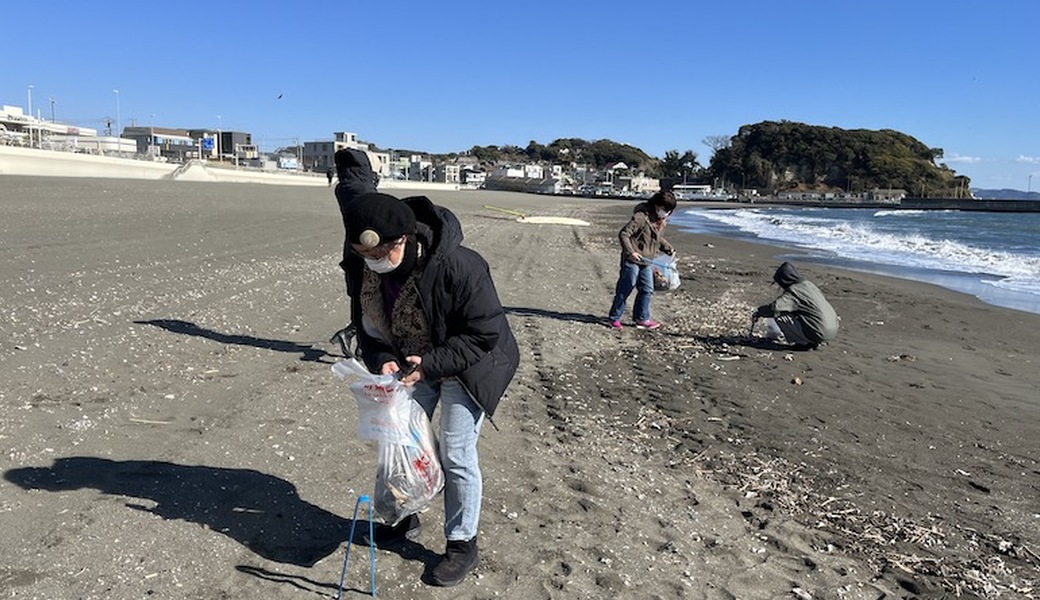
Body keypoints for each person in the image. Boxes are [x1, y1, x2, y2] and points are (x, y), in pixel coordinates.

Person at [341, 191, 519, 587]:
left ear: (403, 241)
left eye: (377, 253)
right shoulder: (365, 266)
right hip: (410, 359)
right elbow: (368, 325)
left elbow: (484, 333)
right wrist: (382, 356)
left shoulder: (460, 265)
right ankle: (404, 517)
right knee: (401, 439)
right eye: (361, 254)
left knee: (456, 451)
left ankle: (461, 543)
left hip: (469, 363)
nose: (370, 262)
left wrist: (432, 365)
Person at [329, 148, 380, 357]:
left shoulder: (346, 186)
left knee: (360, 297)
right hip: (365, 250)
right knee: (368, 297)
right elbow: (374, 215)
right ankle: (352, 335)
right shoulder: (361, 188)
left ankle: (361, 345)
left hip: (354, 248)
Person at [607, 190, 677, 330]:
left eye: (669, 210)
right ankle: (614, 318)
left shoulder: (660, 221)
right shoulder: (641, 217)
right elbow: (624, 234)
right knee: (626, 287)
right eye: (665, 209)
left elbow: (655, 238)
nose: (666, 213)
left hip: (647, 260)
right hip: (632, 259)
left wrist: (668, 248)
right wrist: (631, 252)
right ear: (657, 205)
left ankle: (642, 318)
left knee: (647, 289)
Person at [751, 261, 839, 349]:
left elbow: (775, 307)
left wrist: (760, 312)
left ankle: (803, 343)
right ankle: (814, 340)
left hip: (819, 331)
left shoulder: (794, 291)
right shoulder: (809, 285)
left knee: (779, 316)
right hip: (832, 329)